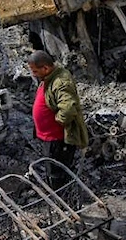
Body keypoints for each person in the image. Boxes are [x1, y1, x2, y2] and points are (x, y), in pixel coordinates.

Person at [27, 50, 88, 189]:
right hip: (49, 137)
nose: (33, 74)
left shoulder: (61, 82)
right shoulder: (49, 78)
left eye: (35, 71)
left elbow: (68, 109)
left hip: (57, 138)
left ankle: (61, 198)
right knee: (51, 167)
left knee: (57, 171)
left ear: (46, 68)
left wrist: (56, 122)